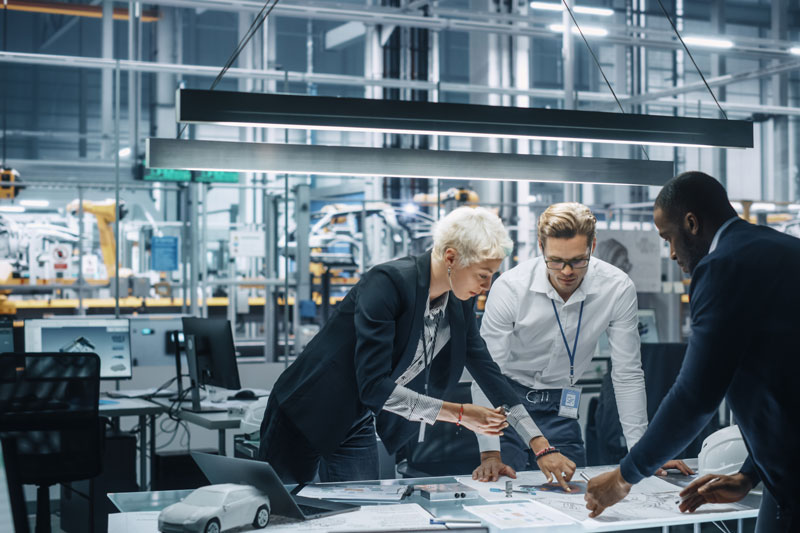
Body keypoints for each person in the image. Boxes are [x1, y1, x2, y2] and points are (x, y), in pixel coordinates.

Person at [258, 206, 575, 486]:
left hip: (356, 419)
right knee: (281, 510)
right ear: (451, 257)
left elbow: (487, 371)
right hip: (305, 411)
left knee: (361, 512)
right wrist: (461, 414)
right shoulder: (388, 284)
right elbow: (373, 387)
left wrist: (539, 443)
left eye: (492, 274)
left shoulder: (457, 301)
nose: (487, 285)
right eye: (482, 274)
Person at [584, 172, 800, 532]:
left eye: (668, 237)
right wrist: (750, 474)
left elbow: (695, 396)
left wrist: (625, 476)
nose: (670, 253)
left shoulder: (722, 266)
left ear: (692, 224)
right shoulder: (780, 249)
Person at [471, 202, 690, 483]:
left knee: (571, 496)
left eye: (577, 260)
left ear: (593, 246)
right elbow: (487, 375)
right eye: (555, 260)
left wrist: (644, 451)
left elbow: (627, 374)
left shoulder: (616, 288)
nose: (566, 271)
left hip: (563, 408)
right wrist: (490, 453)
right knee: (504, 495)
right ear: (541, 247)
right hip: (506, 409)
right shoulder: (511, 288)